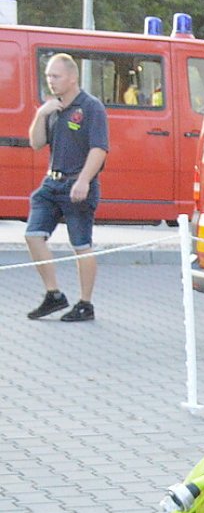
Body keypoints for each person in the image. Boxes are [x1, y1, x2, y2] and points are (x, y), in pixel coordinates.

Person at [24, 53, 108, 323]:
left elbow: (99, 148)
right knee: (33, 235)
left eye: (56, 76)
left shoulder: (91, 107)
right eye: (48, 76)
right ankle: (54, 295)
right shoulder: (53, 108)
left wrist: (84, 180)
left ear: (72, 78)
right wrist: (41, 113)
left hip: (77, 182)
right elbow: (36, 143)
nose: (51, 81)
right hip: (52, 183)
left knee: (81, 245)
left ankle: (86, 303)